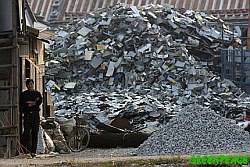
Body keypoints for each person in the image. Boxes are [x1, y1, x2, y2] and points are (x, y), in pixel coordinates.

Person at [20, 79, 42, 157]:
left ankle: (33, 151)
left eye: (31, 84)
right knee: (26, 132)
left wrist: (31, 103)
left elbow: (39, 102)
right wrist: (34, 102)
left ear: (33, 84)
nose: (30, 86)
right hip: (27, 115)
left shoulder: (37, 93)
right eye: (29, 84)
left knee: (34, 133)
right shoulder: (24, 94)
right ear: (26, 85)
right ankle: (23, 150)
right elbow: (23, 104)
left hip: (35, 115)